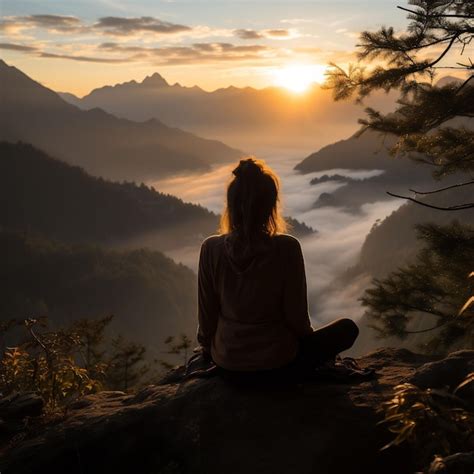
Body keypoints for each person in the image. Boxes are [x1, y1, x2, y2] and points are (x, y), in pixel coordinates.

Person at [195, 157, 360, 378]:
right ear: (270, 206)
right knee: (347, 328)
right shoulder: (287, 249)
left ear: (231, 206)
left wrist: (209, 351)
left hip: (228, 365)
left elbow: (207, 321)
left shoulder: (210, 249)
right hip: (279, 364)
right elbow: (298, 322)